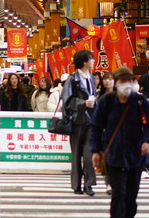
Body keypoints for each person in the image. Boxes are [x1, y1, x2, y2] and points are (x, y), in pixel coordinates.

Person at [90, 67, 149, 218]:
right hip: (114, 156)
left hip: (136, 157)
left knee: (130, 198)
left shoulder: (140, 101)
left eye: (129, 80)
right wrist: (95, 150)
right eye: (122, 81)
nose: (126, 84)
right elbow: (96, 127)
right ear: (116, 83)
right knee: (119, 194)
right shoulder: (106, 101)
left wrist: (148, 142)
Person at [61, 50, 97, 196]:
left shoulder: (92, 78)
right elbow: (67, 100)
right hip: (76, 120)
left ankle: (89, 184)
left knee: (89, 153)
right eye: (91, 58)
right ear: (84, 61)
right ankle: (76, 184)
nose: (93, 61)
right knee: (76, 153)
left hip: (90, 120)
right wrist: (83, 103)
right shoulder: (72, 79)